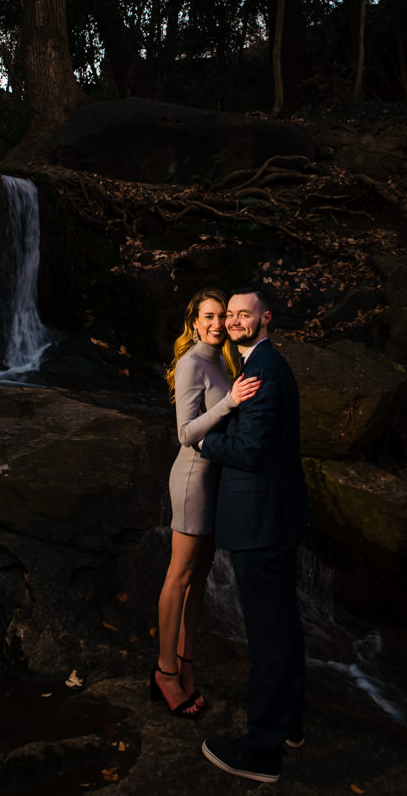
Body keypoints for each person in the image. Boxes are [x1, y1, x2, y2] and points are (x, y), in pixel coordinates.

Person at [199, 288, 309, 783]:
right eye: (232, 314)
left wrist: (204, 435)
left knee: (267, 634)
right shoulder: (257, 365)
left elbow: (248, 451)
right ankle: (291, 725)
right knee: (284, 624)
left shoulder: (263, 369)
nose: (237, 320)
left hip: (261, 519)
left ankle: (262, 750)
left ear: (266, 319)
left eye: (246, 314)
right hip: (278, 515)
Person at [151, 288, 261, 718]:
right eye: (209, 317)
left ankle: (187, 666)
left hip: (218, 479)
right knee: (179, 575)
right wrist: (232, 401)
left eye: (223, 317)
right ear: (194, 322)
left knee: (198, 579)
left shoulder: (224, 360)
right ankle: (164, 672)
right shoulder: (191, 362)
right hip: (193, 477)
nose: (218, 325)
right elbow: (185, 432)